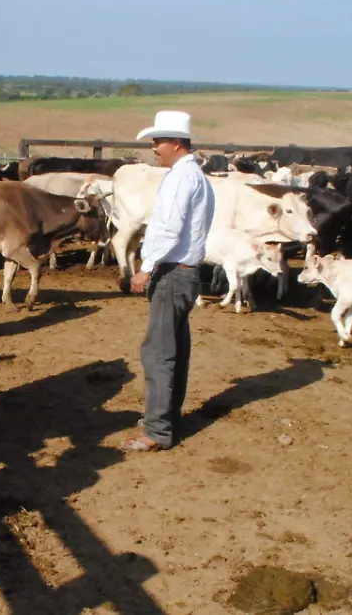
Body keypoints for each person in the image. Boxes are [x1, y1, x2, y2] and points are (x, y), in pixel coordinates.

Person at [119, 111, 215, 452]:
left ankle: (157, 431)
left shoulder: (180, 178)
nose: (154, 148)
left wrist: (146, 268)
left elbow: (169, 229)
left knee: (158, 352)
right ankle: (166, 418)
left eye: (158, 141)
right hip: (186, 272)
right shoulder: (197, 176)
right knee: (175, 348)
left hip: (172, 272)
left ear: (175, 143)